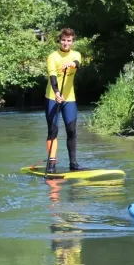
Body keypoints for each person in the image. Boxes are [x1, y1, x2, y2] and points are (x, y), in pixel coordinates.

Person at [44, 28, 83, 173]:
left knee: (71, 130)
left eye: (69, 41)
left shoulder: (76, 54)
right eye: (63, 40)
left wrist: (71, 64)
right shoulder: (52, 57)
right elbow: (53, 78)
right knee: (53, 130)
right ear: (59, 40)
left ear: (72, 42)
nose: (65, 43)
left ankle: (73, 163)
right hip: (52, 97)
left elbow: (77, 63)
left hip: (69, 98)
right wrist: (56, 93)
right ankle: (52, 164)